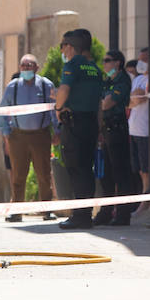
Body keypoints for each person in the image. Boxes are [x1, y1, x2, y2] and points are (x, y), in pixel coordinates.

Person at [55, 28, 105, 230]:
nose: (63, 51)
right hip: (91, 123)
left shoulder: (72, 65)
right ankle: (85, 214)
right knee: (86, 168)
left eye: (63, 46)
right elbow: (100, 102)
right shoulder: (95, 68)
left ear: (70, 46)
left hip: (74, 123)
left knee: (76, 169)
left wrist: (58, 108)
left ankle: (80, 216)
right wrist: (99, 126)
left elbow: (64, 90)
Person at [0, 54, 57, 223]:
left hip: (41, 135)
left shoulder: (47, 85)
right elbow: (3, 110)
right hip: (18, 136)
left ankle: (46, 210)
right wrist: (6, 134)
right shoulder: (13, 86)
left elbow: (53, 110)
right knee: (18, 175)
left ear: (36, 68)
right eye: (23, 66)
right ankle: (16, 211)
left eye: (29, 65)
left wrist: (57, 131)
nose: (26, 69)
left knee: (44, 173)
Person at [96, 49, 139, 226]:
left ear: (117, 63)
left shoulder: (122, 80)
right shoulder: (107, 81)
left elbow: (106, 104)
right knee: (106, 174)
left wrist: (101, 102)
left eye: (108, 60)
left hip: (117, 129)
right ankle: (106, 211)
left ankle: (123, 214)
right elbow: (99, 102)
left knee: (121, 173)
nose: (105, 64)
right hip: (105, 131)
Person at [129, 52, 150, 194]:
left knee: (146, 168)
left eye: (144, 60)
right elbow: (130, 102)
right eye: (139, 60)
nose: (141, 63)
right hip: (133, 129)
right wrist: (135, 97)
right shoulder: (137, 80)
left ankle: (146, 194)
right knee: (137, 168)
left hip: (145, 130)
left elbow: (141, 98)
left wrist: (136, 97)